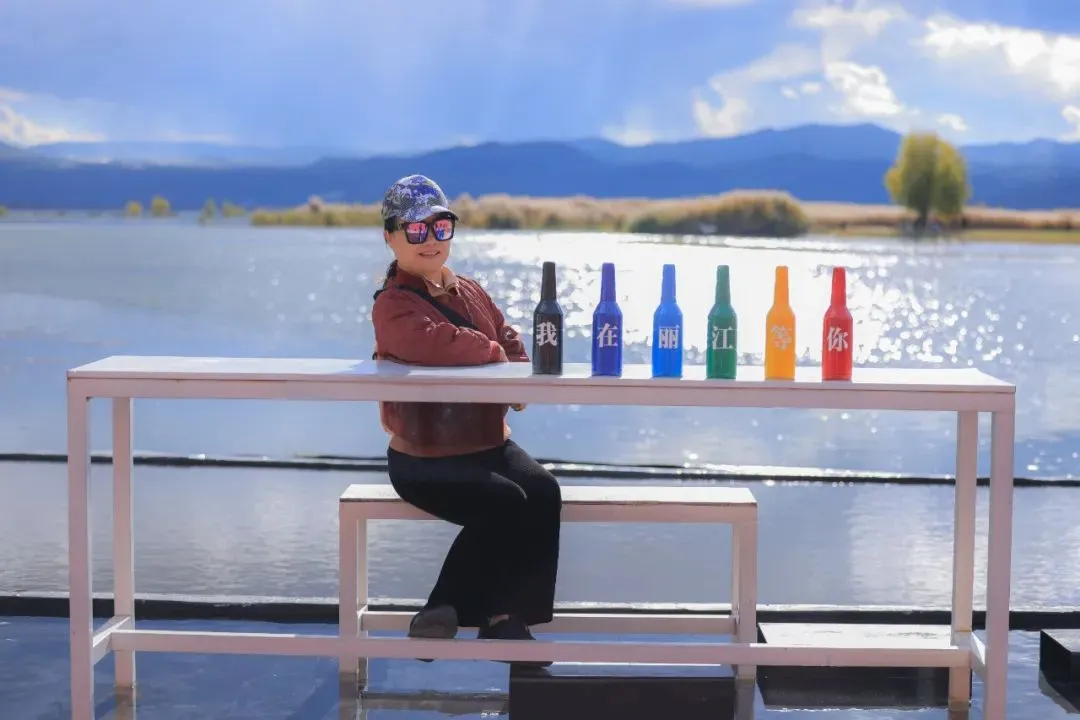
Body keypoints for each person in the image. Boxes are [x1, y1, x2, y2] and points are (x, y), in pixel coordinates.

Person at [370, 174, 562, 666]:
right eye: (415, 230)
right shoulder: (392, 305)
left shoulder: (471, 289)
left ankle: (506, 619)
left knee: (543, 492)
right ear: (390, 237)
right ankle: (445, 608)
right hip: (423, 457)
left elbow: (509, 336)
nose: (430, 240)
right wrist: (496, 353)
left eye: (441, 227)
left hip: (487, 443)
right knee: (506, 503)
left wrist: (514, 371)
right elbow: (436, 344)